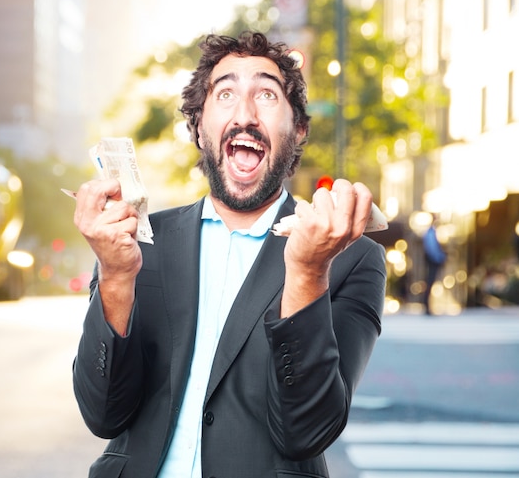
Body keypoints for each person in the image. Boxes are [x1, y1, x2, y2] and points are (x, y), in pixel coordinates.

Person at [71, 31, 386, 478]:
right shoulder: (135, 241)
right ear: (200, 127)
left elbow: (307, 432)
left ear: (297, 129)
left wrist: (307, 273)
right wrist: (116, 277)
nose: (245, 114)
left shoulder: (352, 258)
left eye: (266, 94)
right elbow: (102, 414)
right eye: (225, 94)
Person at [422, 219, 446, 315]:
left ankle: (427, 305)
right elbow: (432, 249)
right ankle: (426, 306)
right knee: (430, 283)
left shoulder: (431, 233)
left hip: (433, 260)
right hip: (433, 261)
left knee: (430, 283)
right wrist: (439, 258)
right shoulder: (431, 233)